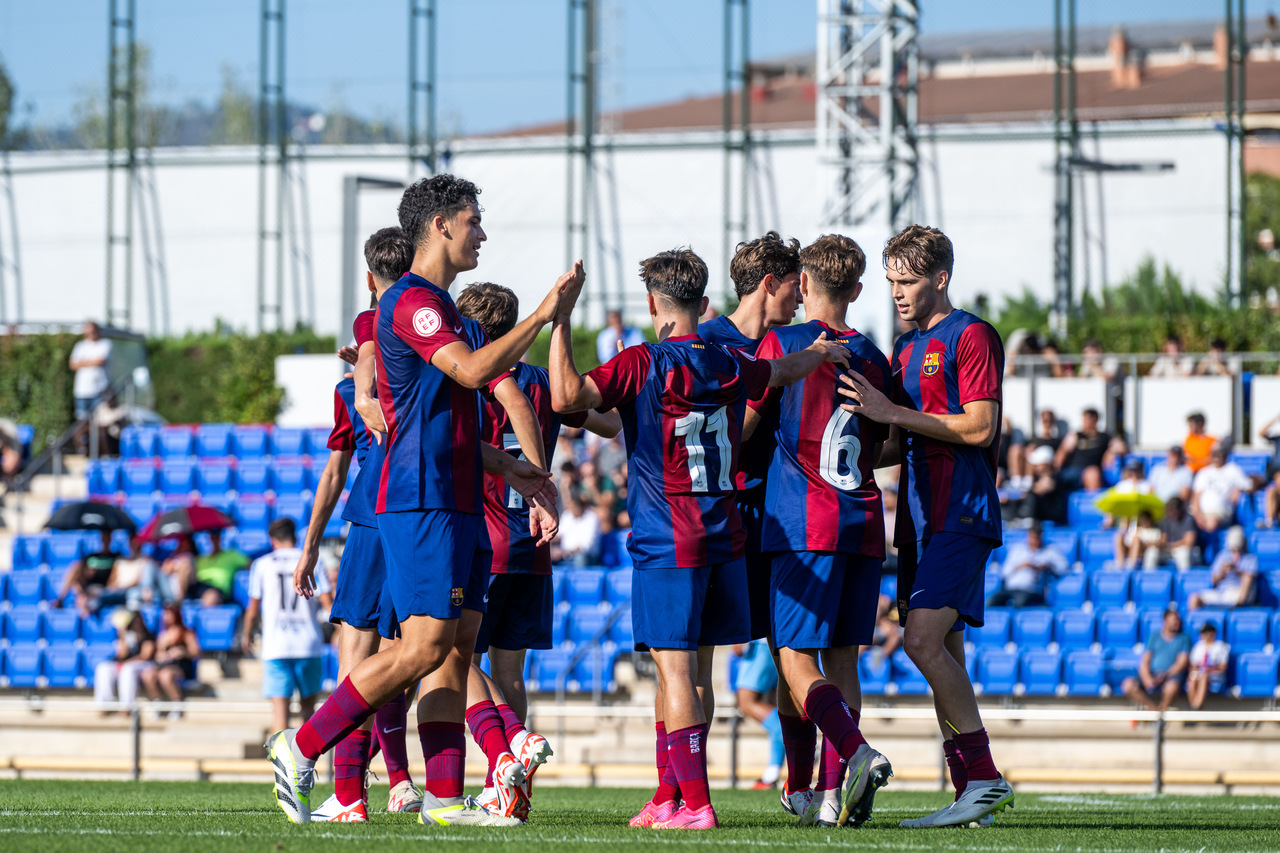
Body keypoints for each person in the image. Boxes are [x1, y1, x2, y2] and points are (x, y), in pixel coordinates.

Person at [269, 174, 566, 827]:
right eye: (474, 220)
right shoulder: (412, 303)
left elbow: (450, 421)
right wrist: (542, 317)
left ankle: (442, 798)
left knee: (458, 649)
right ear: (440, 225)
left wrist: (513, 469)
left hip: (459, 498)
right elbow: (473, 372)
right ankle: (299, 744)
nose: (481, 232)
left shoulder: (450, 310)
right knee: (423, 645)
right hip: (421, 500)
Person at [549, 246, 851, 830]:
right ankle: (669, 794)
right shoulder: (722, 361)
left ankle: (695, 803)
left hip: (668, 538)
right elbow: (780, 371)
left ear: (651, 303)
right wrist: (818, 352)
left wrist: (560, 319)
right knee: (695, 674)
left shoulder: (642, 361)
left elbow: (566, 398)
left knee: (675, 673)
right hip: (723, 537)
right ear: (704, 302)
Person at [835, 224, 1013, 828]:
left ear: (940, 277)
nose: (897, 294)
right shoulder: (905, 349)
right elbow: (896, 438)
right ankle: (972, 795)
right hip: (915, 520)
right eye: (890, 283)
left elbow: (979, 427)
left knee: (919, 641)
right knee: (946, 651)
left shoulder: (973, 336)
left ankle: (984, 778)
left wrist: (891, 412)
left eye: (908, 281)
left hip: (960, 512)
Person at [454, 280, 623, 821]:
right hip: (533, 546)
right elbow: (611, 422)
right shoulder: (547, 383)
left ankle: (511, 745)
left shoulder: (476, 378)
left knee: (453, 658)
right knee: (509, 672)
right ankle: (509, 790)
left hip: (484, 537)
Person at [744, 233, 894, 827]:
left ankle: (855, 754)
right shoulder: (877, 357)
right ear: (858, 290)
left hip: (805, 520)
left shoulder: (783, 342)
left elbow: (750, 422)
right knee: (844, 661)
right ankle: (830, 796)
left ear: (802, 284)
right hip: (863, 520)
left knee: (793, 657)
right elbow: (882, 444)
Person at [300, 227, 426, 822]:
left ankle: (349, 792)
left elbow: (332, 475)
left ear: (369, 277)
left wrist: (365, 391)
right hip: (431, 513)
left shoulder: (372, 329)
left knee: (359, 658)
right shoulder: (439, 327)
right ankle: (400, 778)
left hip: (377, 510)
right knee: (408, 654)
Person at [698, 231, 809, 809]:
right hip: (723, 514)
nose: (801, 294)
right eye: (795, 285)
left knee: (790, 644)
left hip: (780, 516)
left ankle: (799, 782)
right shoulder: (711, 341)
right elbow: (722, 434)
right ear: (771, 283)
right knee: (696, 658)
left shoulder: (789, 343)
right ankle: (683, 790)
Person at [244, 520, 333, 736]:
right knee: (308, 711)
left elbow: (253, 608)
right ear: (295, 538)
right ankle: (308, 764)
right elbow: (328, 605)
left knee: (279, 713)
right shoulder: (313, 561)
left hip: (276, 645)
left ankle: (282, 767)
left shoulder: (262, 564)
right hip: (308, 643)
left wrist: (246, 634)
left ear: (272, 540)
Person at [729, 639, 786, 790]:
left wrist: (739, 636)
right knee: (775, 705)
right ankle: (771, 774)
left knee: (746, 702)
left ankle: (799, 743)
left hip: (760, 643)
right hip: (776, 641)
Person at [1122, 607, 1190, 712]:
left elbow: (1181, 663)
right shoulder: (1154, 636)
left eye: (1177, 620)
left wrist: (1165, 675)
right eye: (1173, 619)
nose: (1176, 622)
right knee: (1128, 685)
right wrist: (1147, 677)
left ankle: (1161, 711)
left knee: (1172, 688)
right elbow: (1145, 660)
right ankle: (1154, 710)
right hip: (1152, 673)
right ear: (1165, 621)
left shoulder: (1184, 639)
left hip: (1170, 676)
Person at [140, 604, 201, 720]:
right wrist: (162, 653)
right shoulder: (163, 634)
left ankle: (177, 703)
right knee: (148, 674)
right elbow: (157, 654)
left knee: (166, 676)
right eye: (165, 615)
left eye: (169, 614)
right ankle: (157, 702)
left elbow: (196, 652)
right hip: (165, 664)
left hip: (181, 665)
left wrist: (182, 651)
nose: (167, 617)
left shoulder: (186, 632)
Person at [989, 521, 1068, 607]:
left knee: (1020, 602)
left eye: (1037, 538)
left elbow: (1063, 568)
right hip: (1011, 588)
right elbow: (1004, 573)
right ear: (1028, 536)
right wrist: (1021, 566)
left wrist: (1047, 567)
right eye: (1033, 537)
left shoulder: (1050, 551)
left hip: (1031, 590)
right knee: (991, 602)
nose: (1035, 541)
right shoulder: (1017, 549)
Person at [93, 607, 155, 712]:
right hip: (125, 663)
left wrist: (126, 663)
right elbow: (122, 654)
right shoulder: (127, 636)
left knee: (127, 670)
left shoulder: (148, 636)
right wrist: (122, 633)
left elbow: (145, 656)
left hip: (141, 665)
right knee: (103, 668)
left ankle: (127, 706)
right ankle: (105, 704)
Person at [56, 529, 123, 616]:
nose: (105, 540)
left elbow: (116, 578)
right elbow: (80, 574)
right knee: (75, 567)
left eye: (108, 537)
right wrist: (88, 575)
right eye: (104, 537)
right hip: (88, 588)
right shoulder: (92, 556)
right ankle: (61, 599)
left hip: (105, 590)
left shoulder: (116, 557)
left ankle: (87, 605)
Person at [1188, 526, 1257, 610]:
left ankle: (1237, 611)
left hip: (1238, 592)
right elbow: (1213, 581)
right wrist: (1222, 572)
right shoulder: (1222, 556)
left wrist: (1236, 570)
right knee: (1194, 598)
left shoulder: (1250, 559)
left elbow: (1249, 578)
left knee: (1247, 578)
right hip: (1221, 592)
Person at [1190, 443, 1253, 533]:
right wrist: (1197, 515)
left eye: (1220, 454)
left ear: (1225, 455)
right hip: (1202, 512)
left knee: (1212, 521)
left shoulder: (1233, 470)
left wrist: (1239, 488)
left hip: (1222, 512)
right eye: (1214, 454)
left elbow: (1249, 486)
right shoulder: (1203, 472)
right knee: (1186, 522)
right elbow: (1196, 497)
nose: (1217, 457)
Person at [1053, 408, 1115, 491]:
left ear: (1095, 420)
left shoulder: (1104, 437)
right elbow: (1062, 453)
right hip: (1074, 471)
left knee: (1092, 473)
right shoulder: (1076, 436)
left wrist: (1110, 451)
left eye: (1088, 419)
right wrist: (1055, 471)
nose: (1085, 422)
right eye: (1084, 419)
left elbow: (1120, 447)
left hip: (1094, 470)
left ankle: (1091, 502)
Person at [190, 530, 249, 606]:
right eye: (212, 536)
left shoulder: (231, 555)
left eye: (217, 536)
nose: (215, 539)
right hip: (199, 589)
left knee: (211, 596)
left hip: (218, 591)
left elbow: (252, 565)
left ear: (221, 537)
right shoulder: (200, 559)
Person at [69, 321, 112, 423]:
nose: (91, 333)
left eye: (93, 331)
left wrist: (82, 362)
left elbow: (100, 361)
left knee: (100, 422)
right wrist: (91, 361)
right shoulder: (80, 346)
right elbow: (72, 364)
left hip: (99, 390)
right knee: (82, 422)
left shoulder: (105, 344)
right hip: (82, 391)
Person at [1186, 623, 1230, 710]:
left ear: (1213, 633)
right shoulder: (1198, 646)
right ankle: (1195, 705)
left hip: (1215, 675)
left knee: (1204, 676)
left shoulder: (1221, 646)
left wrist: (1210, 668)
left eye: (1206, 633)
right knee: (1192, 678)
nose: (1203, 635)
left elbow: (1223, 667)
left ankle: (1195, 706)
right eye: (1202, 633)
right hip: (1200, 673)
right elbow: (1193, 665)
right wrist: (1196, 669)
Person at [1153, 497, 1201, 570]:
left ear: (1180, 509)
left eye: (1174, 509)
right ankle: (1149, 580)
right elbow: (1164, 540)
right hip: (1172, 550)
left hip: (1191, 551)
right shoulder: (1167, 519)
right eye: (1170, 510)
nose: (1172, 512)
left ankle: (1185, 579)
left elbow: (1188, 543)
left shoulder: (1189, 518)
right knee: (1151, 553)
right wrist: (1158, 544)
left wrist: (1170, 545)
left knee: (1183, 554)